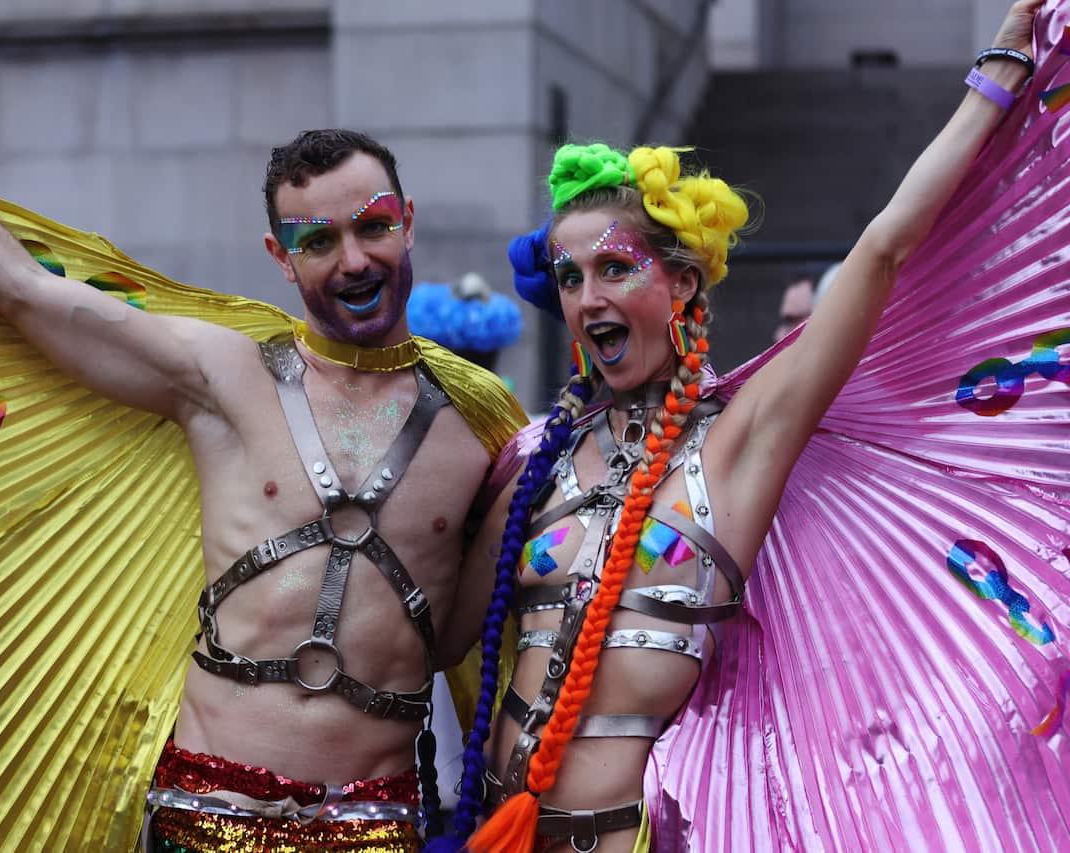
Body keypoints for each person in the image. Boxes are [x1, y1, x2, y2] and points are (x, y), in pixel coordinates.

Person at [0, 64, 526, 850]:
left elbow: (453, 640)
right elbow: (19, 289)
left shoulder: (480, 431)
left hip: (376, 826)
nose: (352, 260)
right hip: (204, 816)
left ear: (407, 222)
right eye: (318, 240)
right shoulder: (224, 376)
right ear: (281, 257)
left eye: (371, 226)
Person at [431, 1, 1070, 851]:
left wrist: (997, 72)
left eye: (617, 266)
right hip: (503, 835)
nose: (589, 296)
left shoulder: (736, 442)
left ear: (683, 285)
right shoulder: (538, 457)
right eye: (571, 275)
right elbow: (443, 635)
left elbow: (880, 252)